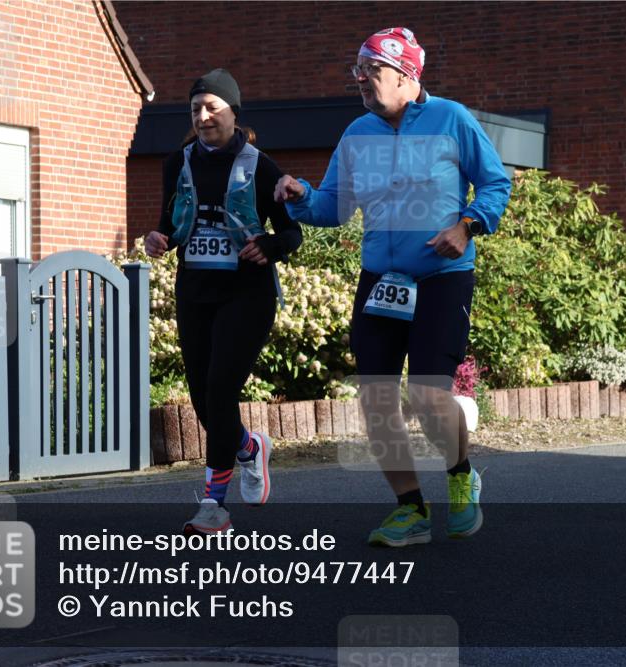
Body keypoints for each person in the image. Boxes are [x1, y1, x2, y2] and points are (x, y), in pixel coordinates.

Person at [275, 28, 511, 546]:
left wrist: (467, 224)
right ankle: (410, 509)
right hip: (381, 281)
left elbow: (496, 182)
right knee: (376, 400)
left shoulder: (452, 119)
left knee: (428, 396)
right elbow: (332, 208)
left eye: (371, 70)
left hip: (442, 277)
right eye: (357, 69)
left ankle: (460, 474)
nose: (360, 79)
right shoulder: (358, 133)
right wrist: (299, 195)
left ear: (406, 75)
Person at [145, 68, 302, 534]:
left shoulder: (261, 166)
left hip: (246, 294)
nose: (203, 115)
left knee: (219, 389)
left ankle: (214, 505)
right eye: (196, 108)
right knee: (201, 399)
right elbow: (171, 225)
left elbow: (292, 233)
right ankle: (250, 449)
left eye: (212, 106)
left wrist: (270, 246)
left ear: (234, 112)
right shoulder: (179, 162)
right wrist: (159, 239)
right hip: (196, 292)